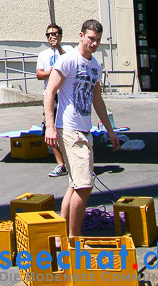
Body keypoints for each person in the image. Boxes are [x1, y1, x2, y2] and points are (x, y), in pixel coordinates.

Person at [44, 19, 119, 236]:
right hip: (68, 129)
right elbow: (49, 92)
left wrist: (110, 131)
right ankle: (74, 238)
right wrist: (50, 126)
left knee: (76, 184)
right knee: (85, 185)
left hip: (86, 131)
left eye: (97, 40)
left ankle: (61, 236)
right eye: (90, 39)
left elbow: (98, 100)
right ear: (81, 35)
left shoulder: (95, 66)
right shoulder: (68, 60)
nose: (94, 43)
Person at [36, 23, 68, 177]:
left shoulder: (68, 50)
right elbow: (38, 74)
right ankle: (61, 164)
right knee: (51, 130)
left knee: (68, 129)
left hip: (66, 94)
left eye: (54, 34)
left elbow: (71, 63)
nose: (51, 37)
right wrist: (50, 72)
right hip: (51, 95)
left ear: (60, 36)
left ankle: (71, 162)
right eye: (48, 35)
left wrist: (60, 48)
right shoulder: (43, 55)